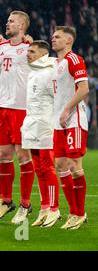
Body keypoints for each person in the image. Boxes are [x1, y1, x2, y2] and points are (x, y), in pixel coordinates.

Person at [0, 11, 34, 224]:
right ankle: (6, 201)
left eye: (11, 21)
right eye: (7, 20)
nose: (7, 23)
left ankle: (25, 204)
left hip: (22, 108)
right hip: (4, 108)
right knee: (4, 154)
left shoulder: (30, 49)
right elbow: (0, 77)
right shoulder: (1, 47)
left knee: (22, 155)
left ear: (22, 26)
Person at [51, 26, 89, 230]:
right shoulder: (56, 63)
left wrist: (67, 109)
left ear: (68, 41)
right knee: (60, 166)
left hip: (73, 118)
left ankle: (79, 213)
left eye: (57, 37)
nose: (53, 39)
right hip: (59, 121)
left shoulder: (74, 59)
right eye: (53, 36)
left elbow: (84, 88)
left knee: (74, 166)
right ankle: (74, 212)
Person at [21, 41, 60, 227]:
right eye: (27, 50)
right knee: (39, 169)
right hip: (32, 125)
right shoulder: (32, 73)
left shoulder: (48, 73)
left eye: (32, 51)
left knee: (48, 168)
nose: (27, 54)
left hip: (45, 125)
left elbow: (58, 99)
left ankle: (54, 208)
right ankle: (44, 207)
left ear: (42, 55)